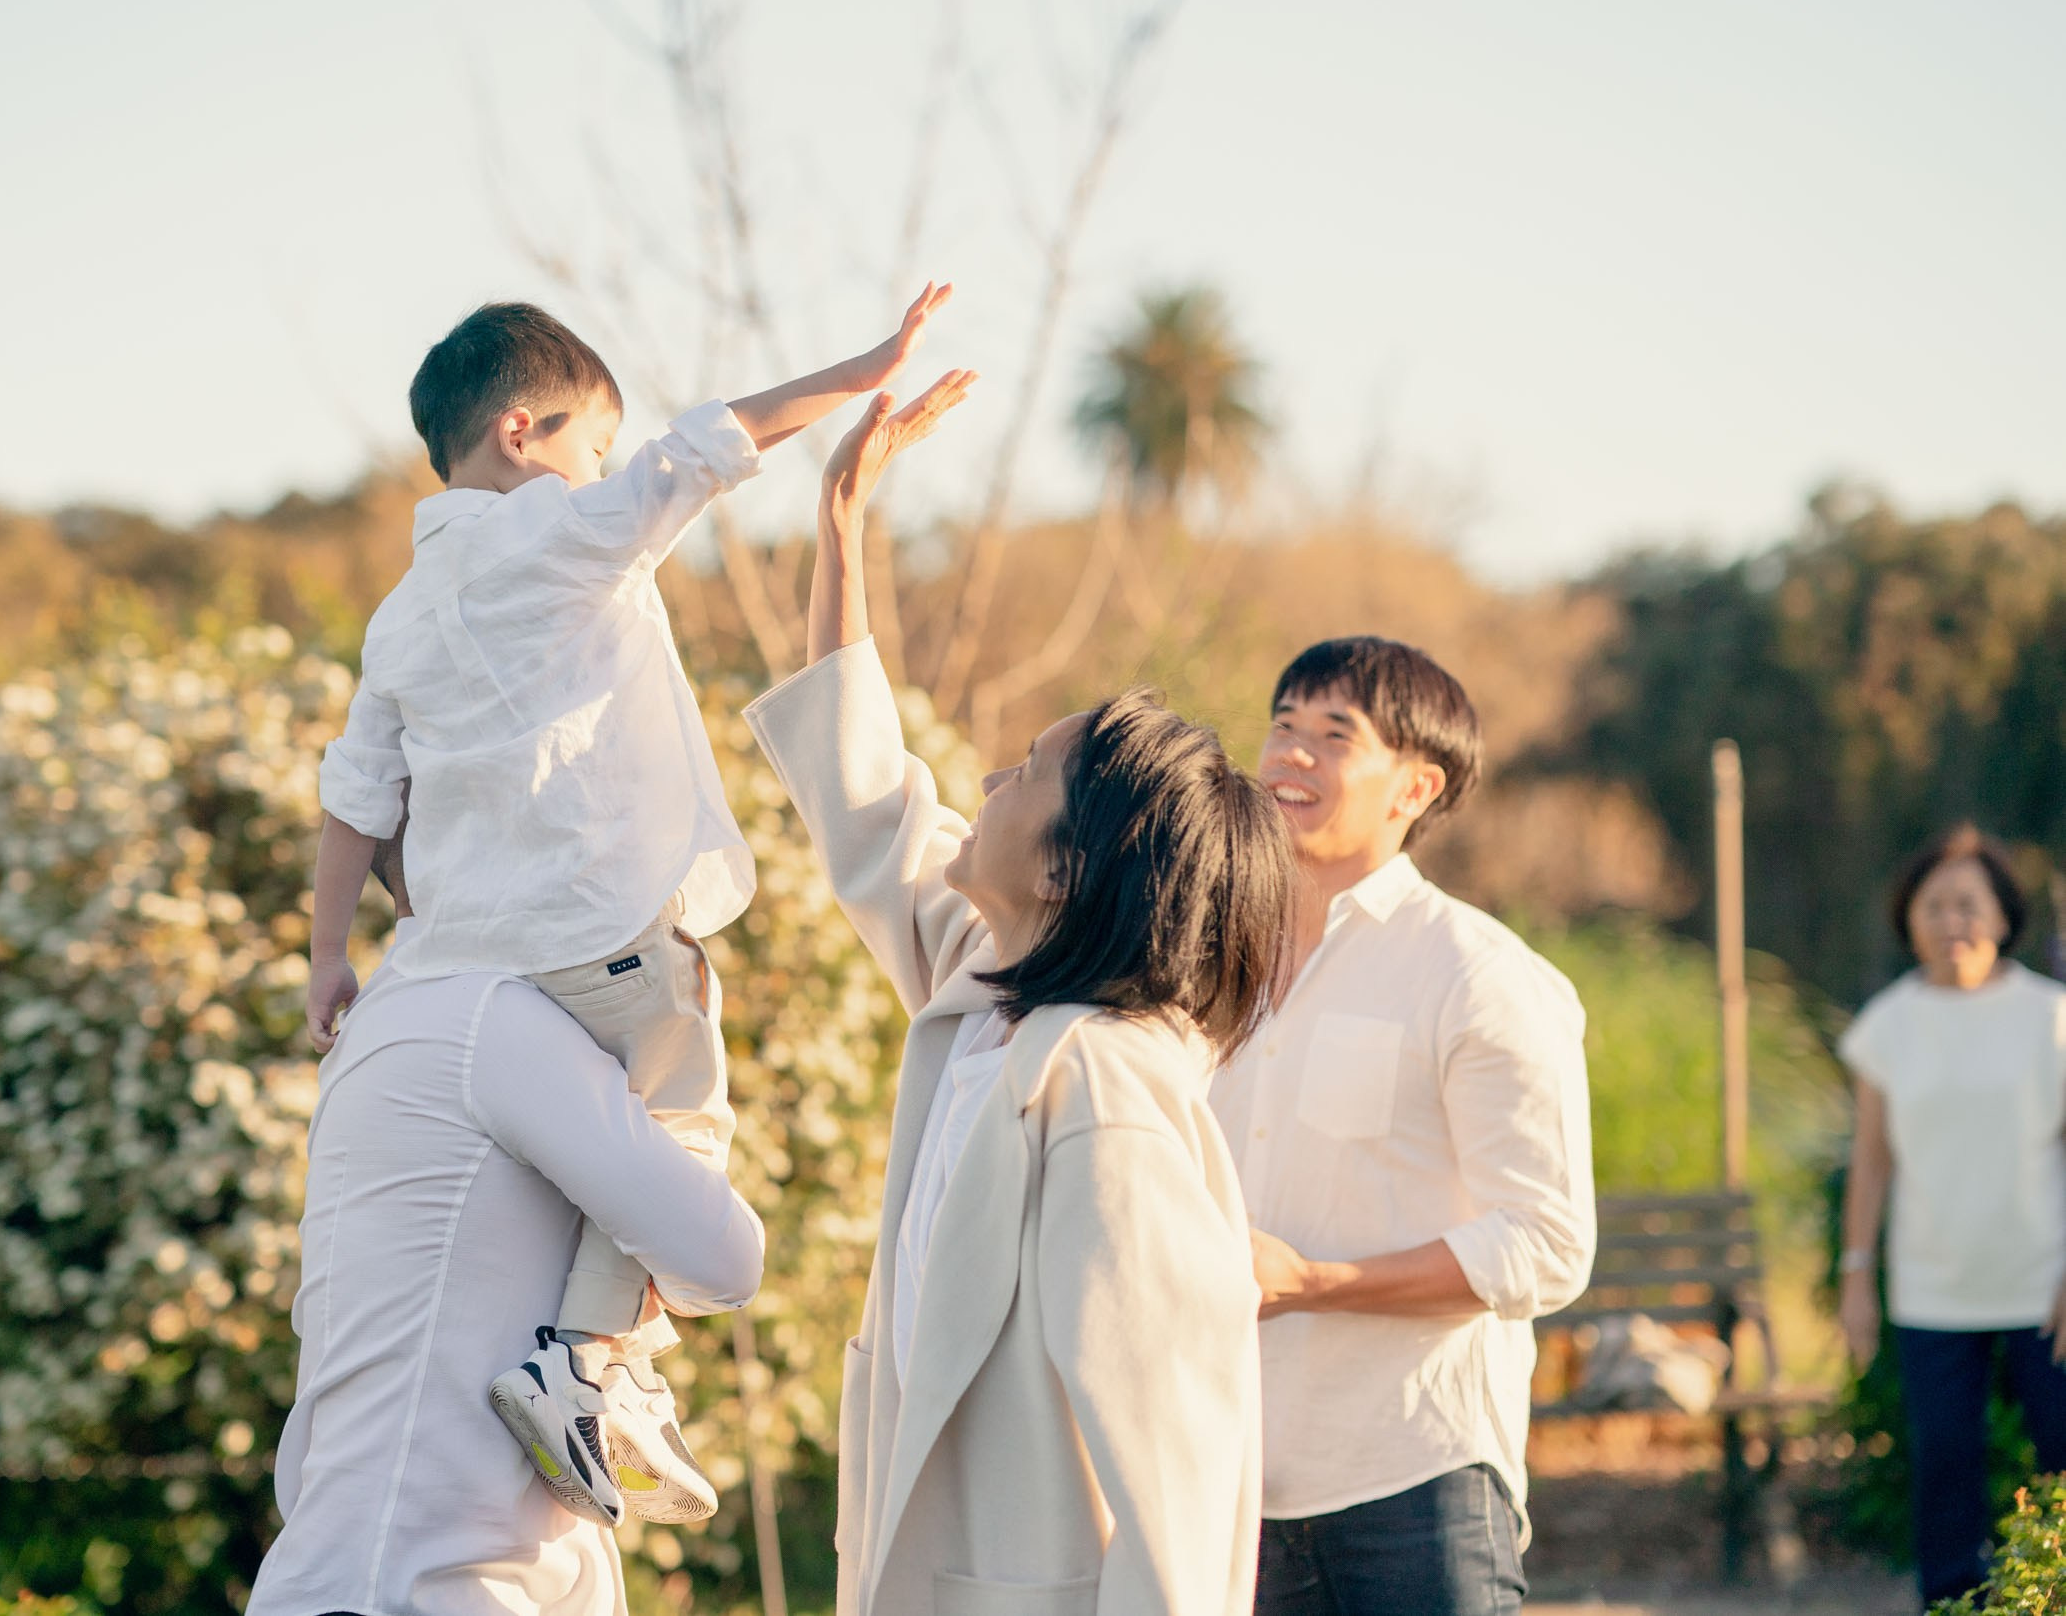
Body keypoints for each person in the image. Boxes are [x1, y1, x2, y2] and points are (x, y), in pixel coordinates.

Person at [302, 285, 953, 1526]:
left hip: (481, 960)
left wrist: (330, 952)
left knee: (597, 1163)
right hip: (614, 937)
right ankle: (590, 1365)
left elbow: (355, 790)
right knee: (680, 1152)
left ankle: (604, 1368)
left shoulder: (399, 617)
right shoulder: (559, 534)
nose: (604, 470)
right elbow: (713, 443)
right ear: (522, 433)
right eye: (591, 447)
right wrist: (863, 365)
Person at [742, 380, 1292, 1616]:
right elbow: (868, 799)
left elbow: (1178, 1460)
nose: (984, 772)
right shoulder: (979, 989)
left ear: (1063, 867)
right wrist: (840, 523)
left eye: (1028, 768)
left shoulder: (1105, 1084)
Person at [1215, 637, 1594, 1615]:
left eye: (1333, 735)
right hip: (1223, 1477)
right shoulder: (1208, 959)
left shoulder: (1476, 974)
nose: (1291, 754)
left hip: (1414, 1483)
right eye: (1282, 726)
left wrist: (1311, 1284)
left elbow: (1546, 1245)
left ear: (1414, 787)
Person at [244, 908, 765, 1616]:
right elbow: (723, 1260)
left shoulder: (393, 1011)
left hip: (390, 1570)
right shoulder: (485, 1014)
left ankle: (602, 1358)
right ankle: (599, 1359)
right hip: (429, 1582)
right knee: (681, 1022)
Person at [1837, 824, 2066, 1608]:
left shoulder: (2052, 1017)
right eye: (1933, 906)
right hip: (1934, 1286)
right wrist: (1857, 1273)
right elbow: (1871, 1162)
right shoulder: (1887, 1025)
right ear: (1908, 920)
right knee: (1944, 1472)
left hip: (2046, 1286)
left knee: (2063, 1462)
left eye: (1968, 904)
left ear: (2003, 916)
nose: (1951, 922)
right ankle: (1951, 1605)